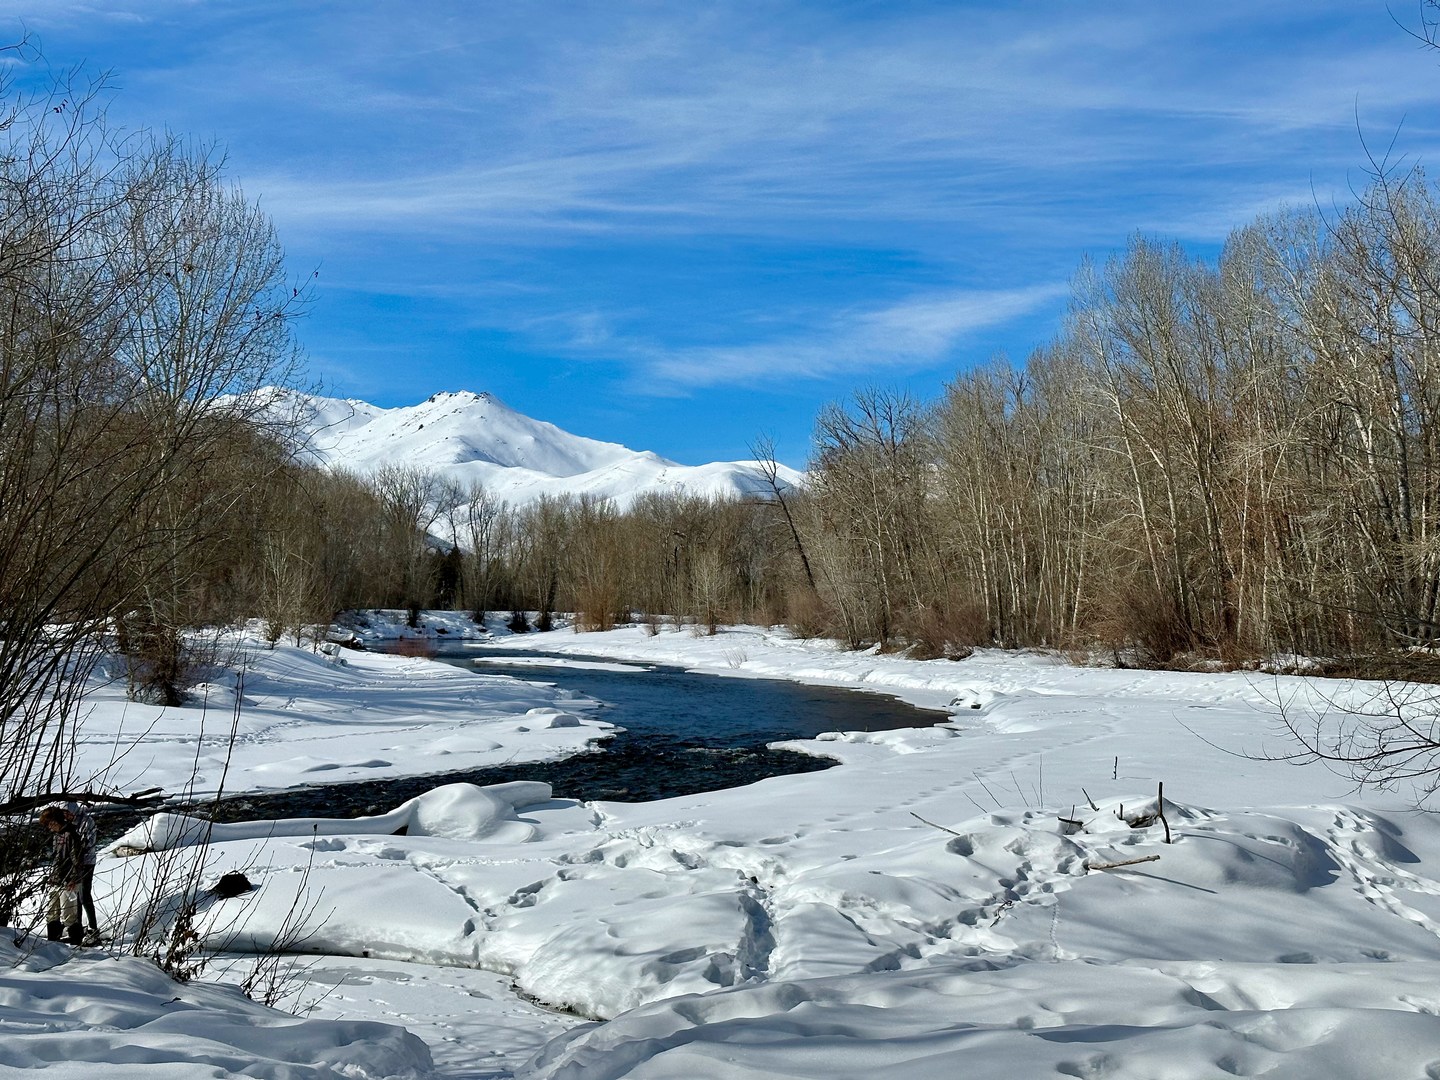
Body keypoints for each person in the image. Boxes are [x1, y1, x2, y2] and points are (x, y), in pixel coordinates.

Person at [37, 805, 83, 945]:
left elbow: (77, 859)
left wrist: (73, 878)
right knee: (51, 912)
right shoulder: (56, 836)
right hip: (56, 879)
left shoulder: (71, 835)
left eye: (50, 825)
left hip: (69, 880)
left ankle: (76, 943)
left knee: (69, 915)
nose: (49, 828)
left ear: (56, 821)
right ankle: (52, 943)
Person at [62, 801, 100, 944]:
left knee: (84, 893)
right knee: (76, 894)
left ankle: (93, 928)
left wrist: (77, 851)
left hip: (86, 861)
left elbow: (87, 842)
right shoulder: (69, 823)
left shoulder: (86, 822)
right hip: (74, 862)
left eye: (67, 814)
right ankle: (77, 928)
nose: (66, 817)